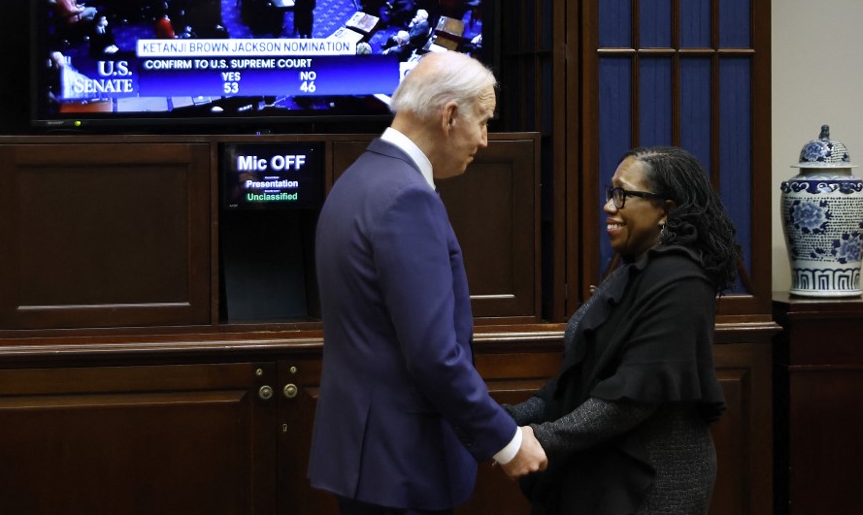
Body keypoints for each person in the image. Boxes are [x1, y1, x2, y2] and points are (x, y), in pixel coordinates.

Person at [308, 51, 549, 514]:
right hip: (401, 463)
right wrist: (507, 441)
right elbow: (435, 355)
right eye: (482, 121)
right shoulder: (406, 198)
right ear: (450, 115)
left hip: (367, 458)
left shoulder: (358, 179)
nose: (484, 140)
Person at [505, 146, 737, 514]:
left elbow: (631, 399)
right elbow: (575, 382)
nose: (609, 206)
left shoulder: (683, 281)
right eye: (612, 193)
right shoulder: (634, 270)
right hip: (602, 465)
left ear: (666, 209)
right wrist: (505, 420)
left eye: (623, 194)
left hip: (653, 481)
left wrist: (540, 438)